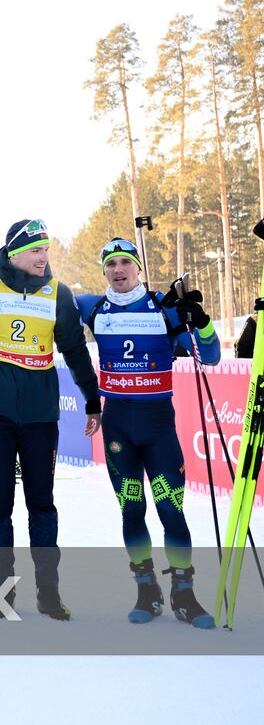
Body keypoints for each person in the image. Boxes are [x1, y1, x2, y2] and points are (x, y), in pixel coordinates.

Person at [0, 219, 101, 620]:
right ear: (14, 252)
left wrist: (92, 399)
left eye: (47, 250)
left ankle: (48, 593)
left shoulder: (57, 293)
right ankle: (2, 594)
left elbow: (75, 350)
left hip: (39, 417)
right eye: (36, 250)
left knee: (42, 504)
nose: (43, 257)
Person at [76, 237, 217, 627]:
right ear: (103, 270)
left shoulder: (162, 307)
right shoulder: (92, 307)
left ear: (138, 267)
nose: (118, 270)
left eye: (125, 262)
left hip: (158, 431)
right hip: (119, 429)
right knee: (132, 509)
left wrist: (200, 322)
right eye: (110, 264)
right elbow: (46, 302)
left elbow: (213, 355)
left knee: (171, 509)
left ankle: (185, 595)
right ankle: (146, 590)